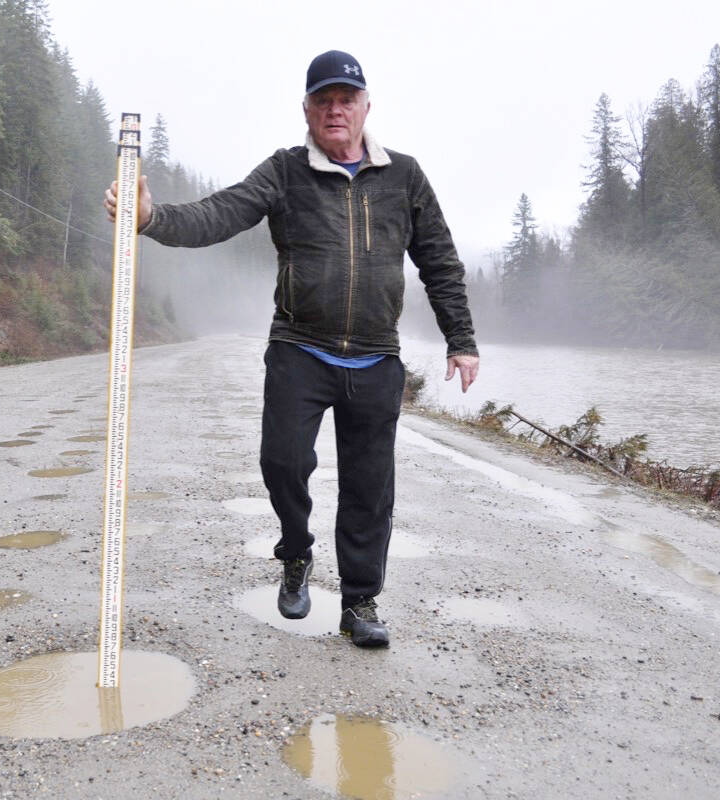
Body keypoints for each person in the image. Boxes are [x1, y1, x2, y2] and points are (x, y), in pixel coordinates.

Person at [104, 50, 479, 648]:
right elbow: (219, 214)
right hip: (300, 349)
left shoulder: (404, 176)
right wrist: (152, 218)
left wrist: (460, 339)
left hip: (378, 359)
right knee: (282, 462)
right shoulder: (284, 172)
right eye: (323, 100)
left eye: (346, 99)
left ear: (365, 107)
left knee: (368, 488)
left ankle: (360, 604)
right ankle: (296, 552)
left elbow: (439, 260)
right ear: (306, 109)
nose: (336, 110)